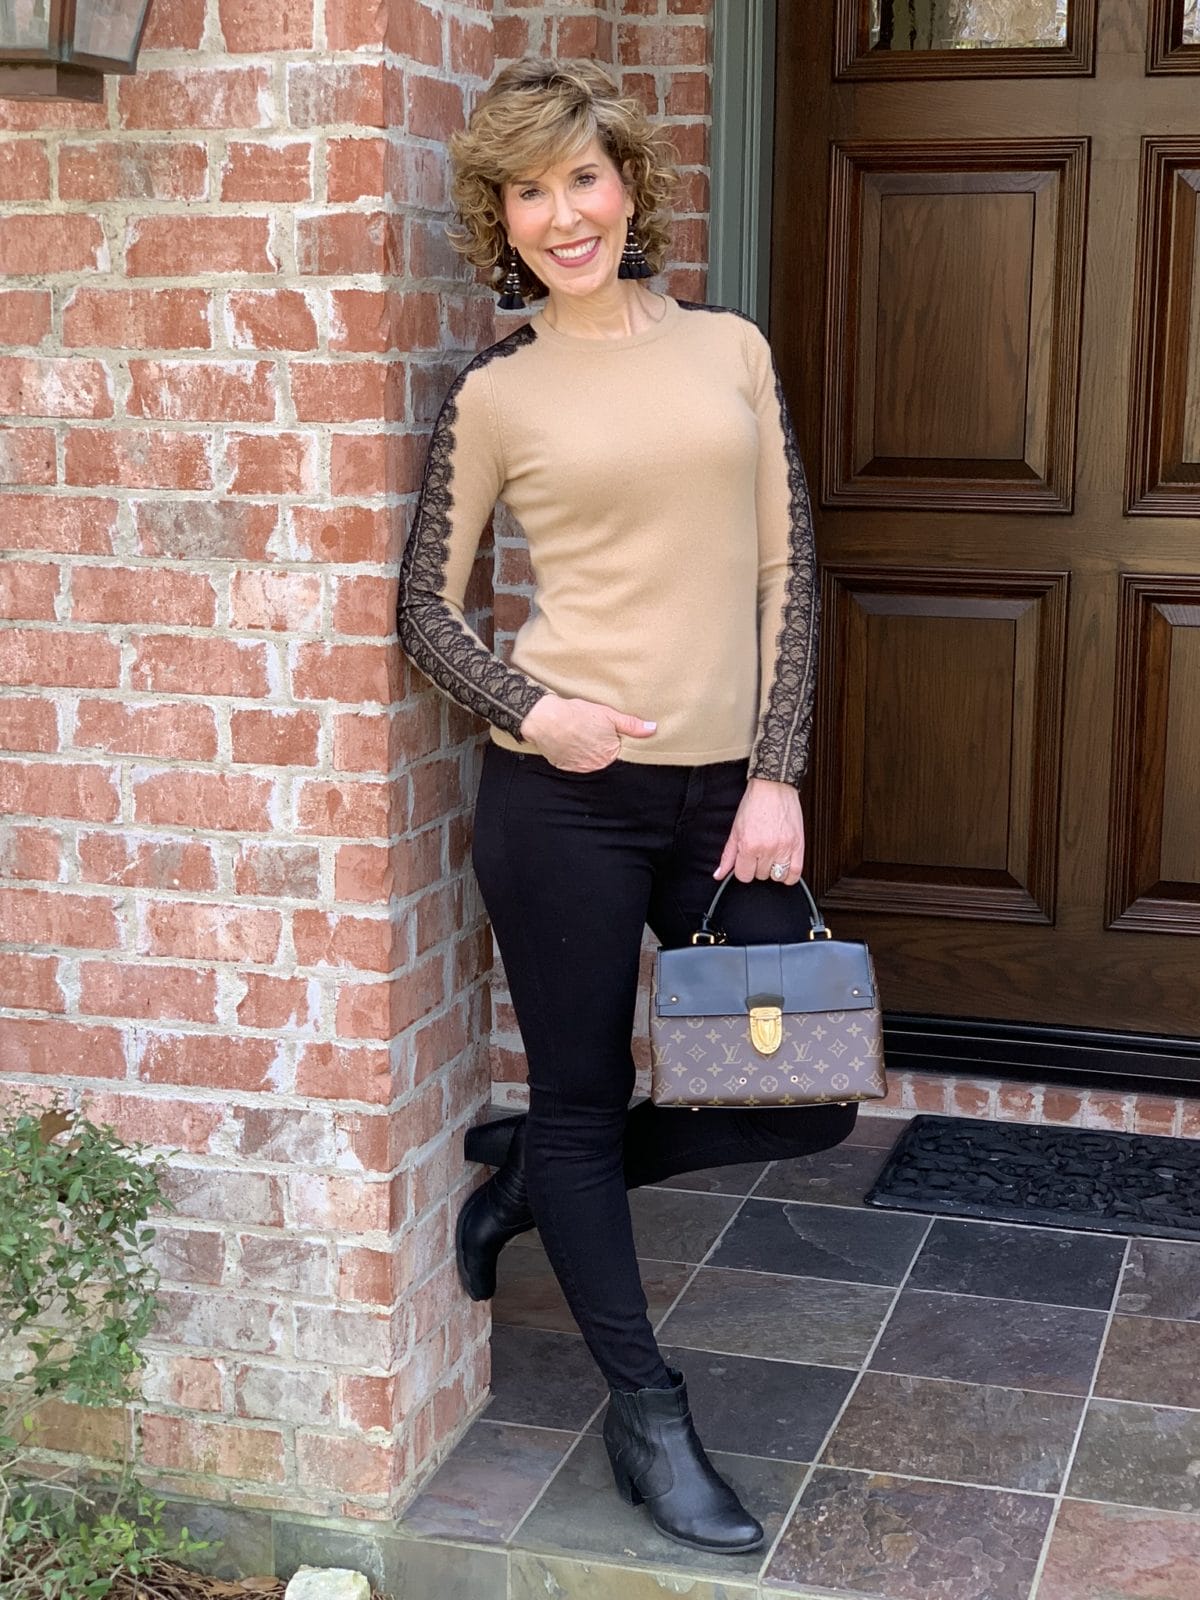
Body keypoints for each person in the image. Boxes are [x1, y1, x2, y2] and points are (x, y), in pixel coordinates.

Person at [398, 57, 857, 1556]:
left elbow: (790, 568)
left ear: (629, 184)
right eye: (528, 193)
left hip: (732, 800)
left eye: (581, 178)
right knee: (589, 1095)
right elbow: (428, 609)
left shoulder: (731, 348)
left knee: (801, 1095)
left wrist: (775, 772)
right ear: (504, 220)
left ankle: (537, 1171)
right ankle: (645, 1412)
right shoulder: (499, 388)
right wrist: (536, 711)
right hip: (564, 806)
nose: (561, 214)